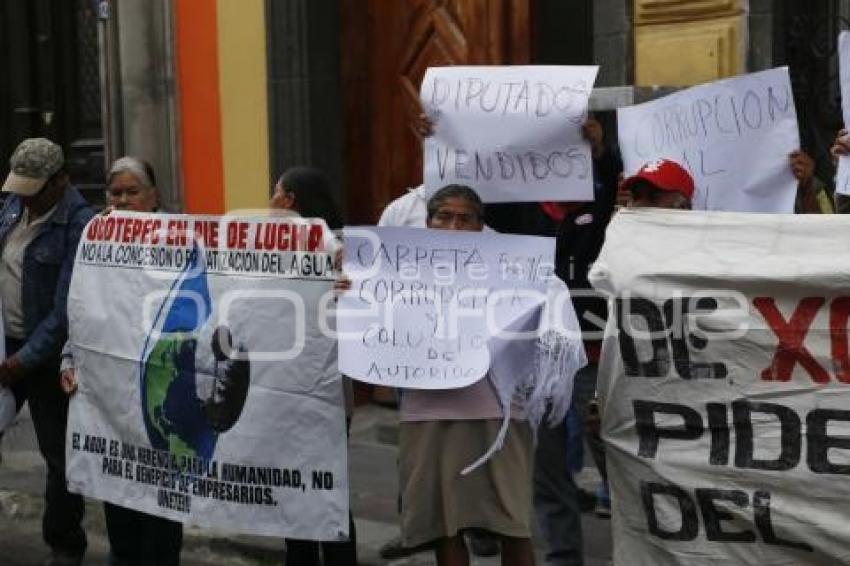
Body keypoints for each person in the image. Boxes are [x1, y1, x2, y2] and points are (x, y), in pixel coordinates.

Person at [399, 185, 536, 566]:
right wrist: (351, 290)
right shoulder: (396, 269)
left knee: (512, 523)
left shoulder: (511, 268)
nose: (454, 226)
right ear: (427, 223)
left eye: (465, 218)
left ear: (480, 226)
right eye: (444, 217)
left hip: (498, 407)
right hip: (428, 408)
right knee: (444, 524)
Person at [59, 156, 184, 566]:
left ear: (154, 196)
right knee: (120, 491)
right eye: (116, 193)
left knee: (161, 501)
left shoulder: (183, 237)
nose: (124, 200)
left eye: (133, 191)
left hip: (161, 392)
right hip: (110, 393)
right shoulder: (95, 240)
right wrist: (68, 360)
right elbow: (79, 308)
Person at [0, 138, 94, 565]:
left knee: (58, 455)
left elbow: (65, 309)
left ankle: (64, 543)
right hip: (6, 344)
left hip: (45, 354)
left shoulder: (79, 224)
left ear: (60, 181)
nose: (24, 197)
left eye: (33, 188)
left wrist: (22, 361)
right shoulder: (11, 208)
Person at [270, 166, 357, 566]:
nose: (269, 204)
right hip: (298, 385)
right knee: (314, 487)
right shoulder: (272, 249)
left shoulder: (339, 249)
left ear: (289, 200)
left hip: (315, 386)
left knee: (315, 487)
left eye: (275, 195)